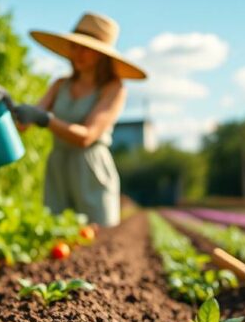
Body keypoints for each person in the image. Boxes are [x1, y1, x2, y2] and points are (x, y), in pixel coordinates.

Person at [13, 13, 146, 227]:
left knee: (97, 240)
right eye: (75, 47)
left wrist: (46, 120)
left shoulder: (113, 89)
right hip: (58, 168)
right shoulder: (59, 85)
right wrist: (9, 108)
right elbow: (24, 124)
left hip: (90, 169)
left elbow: (87, 136)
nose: (78, 54)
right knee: (57, 234)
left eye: (87, 48)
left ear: (102, 55)